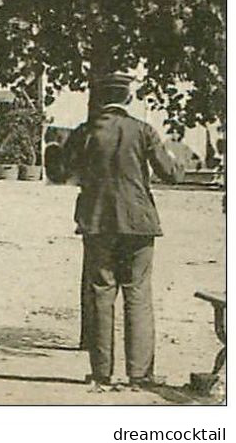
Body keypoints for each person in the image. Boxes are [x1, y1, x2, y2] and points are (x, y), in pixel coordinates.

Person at [67, 71, 184, 390]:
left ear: (100, 98)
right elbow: (171, 174)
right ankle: (140, 373)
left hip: (98, 221)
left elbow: (61, 169)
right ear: (128, 97)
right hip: (138, 221)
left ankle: (101, 372)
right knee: (138, 293)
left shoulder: (85, 132)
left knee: (101, 293)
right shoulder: (143, 130)